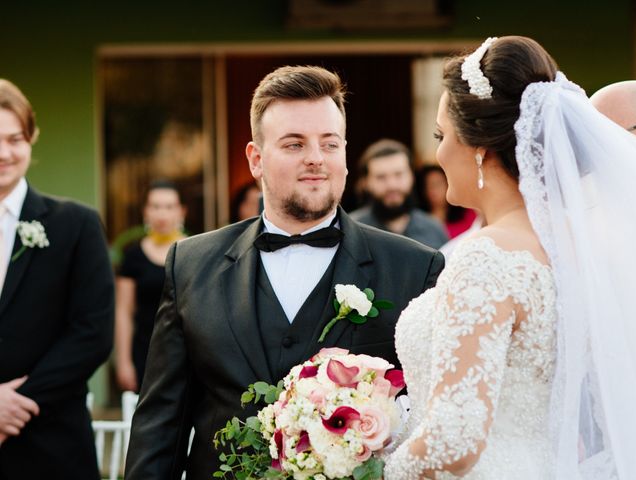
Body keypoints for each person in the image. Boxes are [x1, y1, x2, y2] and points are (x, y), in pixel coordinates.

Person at [125, 65, 445, 479]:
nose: (315, 158)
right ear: (256, 160)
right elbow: (159, 429)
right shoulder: (190, 264)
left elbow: (431, 426)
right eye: (294, 144)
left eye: (329, 144)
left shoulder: (416, 268)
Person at [383, 36, 636, 479]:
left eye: (441, 135)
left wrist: (378, 471)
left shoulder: (486, 256)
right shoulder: (575, 250)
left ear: (478, 146)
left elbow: (454, 439)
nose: (438, 152)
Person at [0, 79, 114, 479]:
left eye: (15, 139)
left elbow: (92, 331)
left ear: (31, 141)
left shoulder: (75, 224)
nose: (4, 152)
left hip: (52, 444)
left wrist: (13, 405)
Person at [114, 180, 186, 393]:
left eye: (169, 206)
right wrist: (123, 361)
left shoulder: (194, 250)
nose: (162, 214)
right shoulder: (133, 255)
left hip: (186, 351)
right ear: (146, 211)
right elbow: (123, 311)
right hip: (144, 352)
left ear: (181, 211)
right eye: (155, 206)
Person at [350, 138, 449, 248]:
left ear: (411, 176)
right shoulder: (351, 232)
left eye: (399, 174)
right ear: (365, 183)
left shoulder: (434, 229)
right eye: (381, 177)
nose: (392, 185)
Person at [416, 164, 477, 238]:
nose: (433, 190)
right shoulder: (418, 220)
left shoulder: (467, 214)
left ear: (448, 184)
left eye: (438, 184)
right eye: (428, 185)